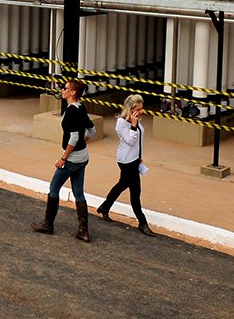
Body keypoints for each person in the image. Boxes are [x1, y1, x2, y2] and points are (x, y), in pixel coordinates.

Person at [32, 78, 96, 242]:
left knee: (54, 188)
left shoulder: (70, 112)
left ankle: (48, 224)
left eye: (65, 88)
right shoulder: (81, 108)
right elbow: (92, 129)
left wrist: (63, 158)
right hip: (83, 158)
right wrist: (84, 143)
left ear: (73, 92)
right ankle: (83, 231)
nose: (62, 90)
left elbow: (74, 138)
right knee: (79, 194)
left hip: (72, 160)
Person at [97, 94, 156, 237]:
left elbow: (138, 140)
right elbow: (130, 140)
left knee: (122, 184)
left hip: (134, 159)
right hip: (126, 161)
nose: (141, 112)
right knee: (135, 192)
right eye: (138, 109)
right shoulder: (121, 123)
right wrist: (134, 125)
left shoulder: (136, 120)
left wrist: (139, 156)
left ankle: (104, 207)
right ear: (130, 109)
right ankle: (142, 223)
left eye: (142, 108)